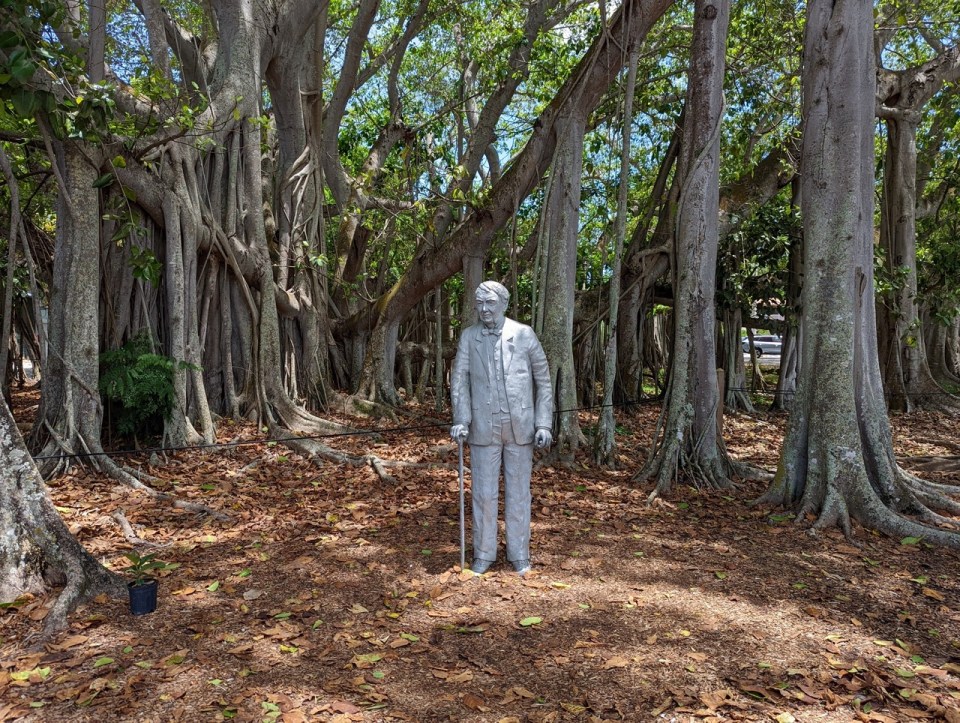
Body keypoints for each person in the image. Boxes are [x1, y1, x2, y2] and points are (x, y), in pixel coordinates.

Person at [450, 281, 553, 575]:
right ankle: (484, 553)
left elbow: (543, 382)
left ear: (503, 304)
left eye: (490, 304)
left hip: (520, 426)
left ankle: (519, 553)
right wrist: (462, 419)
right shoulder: (469, 337)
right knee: (483, 493)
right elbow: (459, 381)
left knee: (519, 493)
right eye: (480, 304)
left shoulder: (524, 334)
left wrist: (544, 423)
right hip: (484, 426)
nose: (484, 310)